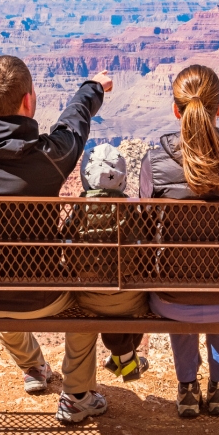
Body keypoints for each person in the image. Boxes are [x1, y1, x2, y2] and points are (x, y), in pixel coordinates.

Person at [0, 55, 113, 423]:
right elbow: (74, 123)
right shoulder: (51, 156)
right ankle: (77, 393)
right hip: (42, 296)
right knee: (92, 299)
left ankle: (34, 367)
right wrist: (93, 87)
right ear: (29, 100)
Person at [139, 64, 219, 418]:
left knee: (179, 279)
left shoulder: (155, 164)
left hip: (172, 300)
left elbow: (143, 234)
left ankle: (186, 387)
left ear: (176, 110)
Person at [71, 143, 149, 381]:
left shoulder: (78, 212)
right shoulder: (131, 212)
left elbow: (71, 252)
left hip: (87, 296)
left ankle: (124, 359)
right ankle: (125, 358)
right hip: (131, 297)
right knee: (125, 297)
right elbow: (144, 255)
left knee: (103, 292)